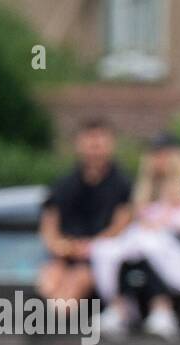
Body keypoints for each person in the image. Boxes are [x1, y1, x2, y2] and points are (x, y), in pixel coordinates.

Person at [90, 133, 180, 339]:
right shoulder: (146, 184)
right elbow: (137, 214)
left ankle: (161, 310)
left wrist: (162, 220)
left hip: (176, 244)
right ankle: (120, 307)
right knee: (113, 250)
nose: (158, 160)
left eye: (163, 155)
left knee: (149, 246)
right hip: (143, 240)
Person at [37, 119, 132, 315]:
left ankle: (60, 325)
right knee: (49, 280)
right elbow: (49, 226)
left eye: (99, 143)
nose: (94, 149)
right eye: (90, 142)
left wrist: (90, 247)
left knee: (76, 283)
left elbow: (122, 225)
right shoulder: (63, 184)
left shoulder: (123, 184)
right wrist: (64, 246)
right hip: (65, 256)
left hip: (100, 259)